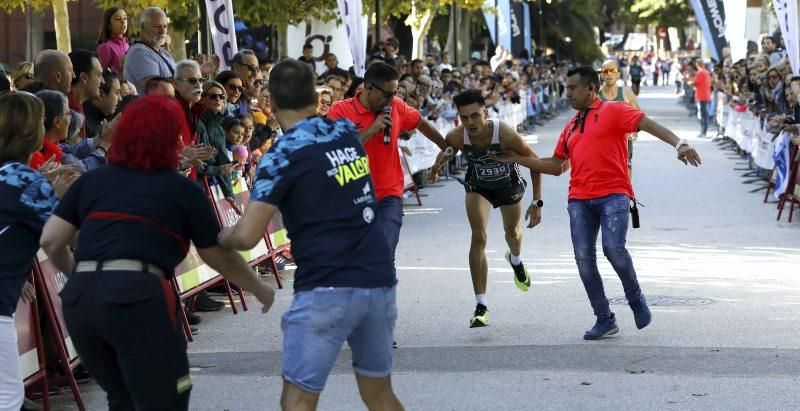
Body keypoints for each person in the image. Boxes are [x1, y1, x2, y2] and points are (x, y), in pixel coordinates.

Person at [39, 95, 275, 410]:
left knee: (122, 398)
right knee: (168, 395)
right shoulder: (181, 190)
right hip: (138, 297)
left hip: (82, 304)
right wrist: (258, 286)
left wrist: (83, 276)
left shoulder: (91, 181)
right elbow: (217, 254)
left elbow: (52, 241)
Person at [218, 58, 402, 411]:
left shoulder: (282, 155)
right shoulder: (345, 133)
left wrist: (222, 236)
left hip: (326, 285)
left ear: (270, 102)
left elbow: (247, 236)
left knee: (298, 400)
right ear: (315, 97)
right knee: (379, 395)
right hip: (377, 280)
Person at [492, 67, 701, 340]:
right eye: (565, 88)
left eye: (572, 88)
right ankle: (604, 318)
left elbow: (649, 124)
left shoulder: (615, 110)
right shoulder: (571, 125)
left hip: (614, 194)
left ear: (590, 89)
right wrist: (516, 159)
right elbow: (556, 166)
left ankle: (635, 298)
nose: (566, 93)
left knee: (613, 248)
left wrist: (680, 144)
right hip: (579, 200)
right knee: (583, 259)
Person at [426, 89, 542, 327]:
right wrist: (436, 168)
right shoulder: (457, 135)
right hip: (478, 187)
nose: (470, 123)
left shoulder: (505, 133)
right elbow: (448, 151)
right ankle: (481, 305)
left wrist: (536, 201)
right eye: (464, 117)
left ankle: (516, 260)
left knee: (512, 234)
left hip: (508, 186)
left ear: (485, 113)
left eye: (475, 116)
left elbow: (535, 162)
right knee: (478, 236)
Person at [327, 61, 447, 266]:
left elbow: (420, 123)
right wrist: (372, 130)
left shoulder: (396, 106)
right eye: (388, 94)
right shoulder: (340, 111)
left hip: (389, 194)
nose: (393, 99)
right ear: (369, 87)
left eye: (395, 93)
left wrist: (445, 146)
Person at [0, 91, 77, 411]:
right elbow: (58, 240)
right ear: (32, 132)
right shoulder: (27, 182)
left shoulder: (13, 176)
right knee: (8, 397)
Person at [32, 90, 111, 173]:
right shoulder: (42, 156)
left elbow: (72, 150)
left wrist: (101, 136)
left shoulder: (51, 145)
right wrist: (104, 145)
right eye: (68, 113)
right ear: (57, 121)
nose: (70, 118)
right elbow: (83, 171)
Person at [598, 59, 640, 177]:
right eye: (605, 71)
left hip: (624, 146)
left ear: (618, 74)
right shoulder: (596, 96)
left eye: (612, 70)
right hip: (602, 147)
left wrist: (634, 130)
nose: (609, 74)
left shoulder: (627, 93)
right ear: (601, 74)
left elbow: (637, 116)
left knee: (625, 181)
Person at [124, 7, 175, 95]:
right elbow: (156, 88)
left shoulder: (164, 53)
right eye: (157, 26)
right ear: (142, 26)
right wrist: (190, 75)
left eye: (165, 26)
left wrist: (197, 71)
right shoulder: (139, 53)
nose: (162, 31)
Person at [84, 69, 121, 138]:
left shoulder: (100, 119)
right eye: (117, 93)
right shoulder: (85, 124)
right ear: (101, 94)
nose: (120, 98)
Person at [96, 7, 129, 73]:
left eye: (125, 18)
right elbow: (100, 75)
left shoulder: (127, 45)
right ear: (108, 25)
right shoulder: (105, 47)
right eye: (118, 19)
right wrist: (119, 67)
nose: (123, 21)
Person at [693, 59, 712, 138]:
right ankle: (704, 131)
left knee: (702, 114)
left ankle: (703, 131)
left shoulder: (700, 73)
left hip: (701, 95)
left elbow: (695, 82)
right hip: (706, 94)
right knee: (704, 113)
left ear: (697, 65)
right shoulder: (707, 72)